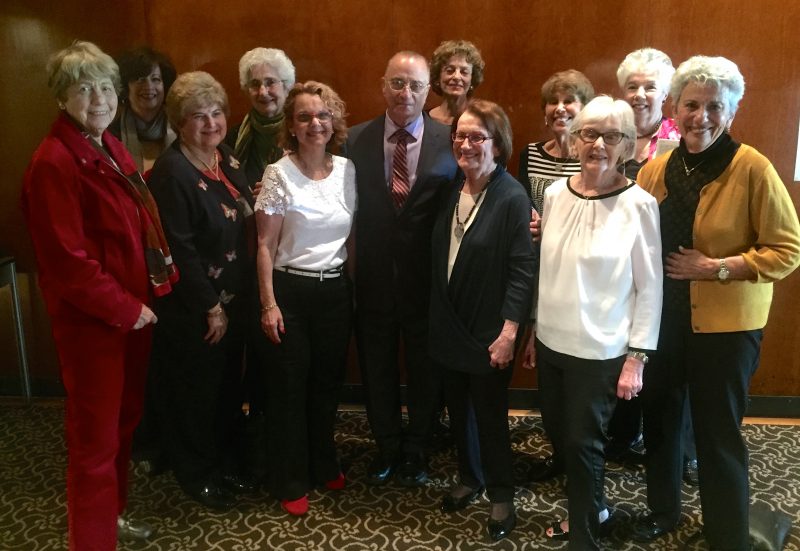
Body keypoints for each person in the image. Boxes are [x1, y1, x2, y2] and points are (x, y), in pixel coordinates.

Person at [631, 55, 800, 550]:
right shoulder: (657, 169)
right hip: (664, 321)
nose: (700, 116)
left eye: (713, 107)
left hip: (726, 328)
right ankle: (662, 513)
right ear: (674, 108)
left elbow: (788, 249)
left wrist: (718, 267)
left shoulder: (753, 168)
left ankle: (727, 535)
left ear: (732, 111)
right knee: (660, 421)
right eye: (691, 105)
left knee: (716, 432)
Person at [21, 40, 177, 550]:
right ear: (62, 97)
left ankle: (112, 516)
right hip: (96, 324)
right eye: (84, 88)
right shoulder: (54, 161)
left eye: (106, 87)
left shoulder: (108, 147)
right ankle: (92, 540)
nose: (100, 98)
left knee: (124, 425)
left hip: (129, 317)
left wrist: (141, 302)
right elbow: (67, 262)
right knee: (94, 441)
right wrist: (125, 307)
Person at [523, 96, 663, 549]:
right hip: (551, 340)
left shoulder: (639, 204)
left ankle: (584, 535)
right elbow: (550, 266)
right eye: (589, 133)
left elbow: (651, 286)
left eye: (611, 136)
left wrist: (636, 358)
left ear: (626, 145)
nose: (598, 144)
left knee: (584, 447)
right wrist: (532, 330)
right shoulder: (556, 195)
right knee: (561, 439)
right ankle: (596, 506)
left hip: (601, 351)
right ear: (574, 138)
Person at [344, 51, 457, 487]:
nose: (405, 93)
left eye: (414, 85)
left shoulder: (451, 138)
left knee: (427, 372)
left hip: (428, 285)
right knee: (377, 369)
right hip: (371, 282)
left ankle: (418, 449)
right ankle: (387, 446)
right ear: (382, 85)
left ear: (429, 91)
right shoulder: (354, 140)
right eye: (397, 83)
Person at [148, 71, 255, 511]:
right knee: (196, 395)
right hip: (198, 309)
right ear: (178, 121)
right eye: (198, 116)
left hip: (234, 301)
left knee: (226, 388)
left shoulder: (223, 157)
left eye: (216, 113)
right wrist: (211, 307)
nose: (210, 122)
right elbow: (179, 249)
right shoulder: (172, 173)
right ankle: (196, 473)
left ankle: (221, 461)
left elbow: (242, 206)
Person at [430, 99, 535, 542]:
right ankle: (470, 478)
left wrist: (510, 332)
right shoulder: (451, 190)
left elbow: (522, 270)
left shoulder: (511, 197)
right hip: (450, 325)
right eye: (461, 135)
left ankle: (502, 495)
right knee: (459, 412)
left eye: (477, 136)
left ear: (498, 144)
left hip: (490, 331)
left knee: (490, 418)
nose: (466, 144)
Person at [254, 81, 355, 516]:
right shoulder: (278, 173)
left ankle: (323, 461)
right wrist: (268, 304)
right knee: (289, 389)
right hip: (289, 292)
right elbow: (263, 245)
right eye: (304, 117)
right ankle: (291, 476)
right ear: (291, 127)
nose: (315, 123)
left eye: (323, 115)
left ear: (333, 122)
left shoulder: (349, 170)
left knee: (326, 386)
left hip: (334, 291)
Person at [605, 47, 683, 464]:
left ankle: (665, 449)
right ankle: (619, 437)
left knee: (654, 357)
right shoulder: (611, 135)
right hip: (613, 267)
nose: (639, 94)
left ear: (665, 92)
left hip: (660, 265)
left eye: (649, 86)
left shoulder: (676, 141)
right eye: (632, 86)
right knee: (619, 354)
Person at [518, 69, 594, 215]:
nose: (559, 108)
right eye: (553, 102)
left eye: (568, 101)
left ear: (585, 109)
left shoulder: (593, 156)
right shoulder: (530, 154)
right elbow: (524, 206)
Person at [226, 47, 295, 187]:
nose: (263, 92)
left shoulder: (301, 133)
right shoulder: (233, 138)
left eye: (270, 83)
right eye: (255, 84)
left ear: (287, 87)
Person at [110, 46, 177, 174]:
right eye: (140, 79)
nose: (148, 86)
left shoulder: (181, 128)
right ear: (125, 86)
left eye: (156, 79)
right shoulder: (111, 136)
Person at [427, 39, 485, 125]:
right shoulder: (422, 121)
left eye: (464, 72)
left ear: (472, 79)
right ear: (438, 77)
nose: (457, 77)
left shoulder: (482, 121)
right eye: (450, 70)